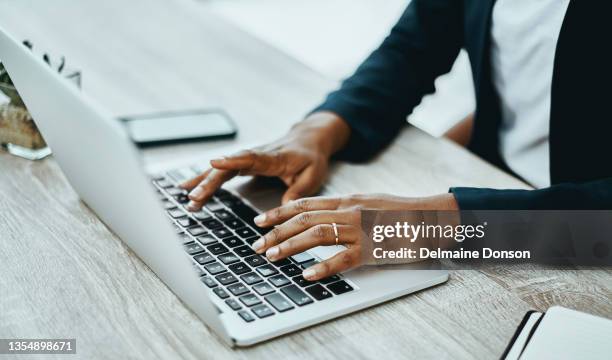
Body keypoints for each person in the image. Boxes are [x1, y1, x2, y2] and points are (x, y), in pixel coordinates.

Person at [181, 0, 612, 280]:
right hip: (490, 188)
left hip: (579, 244)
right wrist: (318, 130)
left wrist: (439, 224)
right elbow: (412, 48)